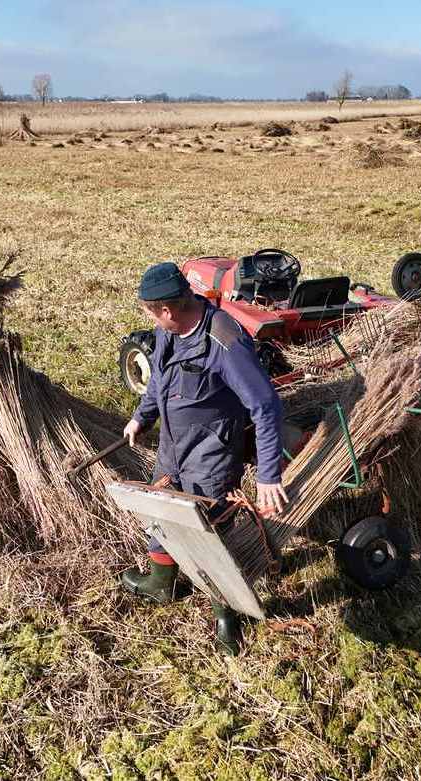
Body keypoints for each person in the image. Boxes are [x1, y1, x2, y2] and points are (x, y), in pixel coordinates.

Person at [120, 261, 288, 656]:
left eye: (151, 313)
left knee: (209, 529)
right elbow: (159, 379)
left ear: (167, 309)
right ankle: (161, 583)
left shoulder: (224, 340)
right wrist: (142, 417)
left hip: (211, 452)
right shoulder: (168, 332)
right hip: (172, 445)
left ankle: (226, 612)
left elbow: (266, 406)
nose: (151, 320)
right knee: (161, 508)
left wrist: (268, 475)